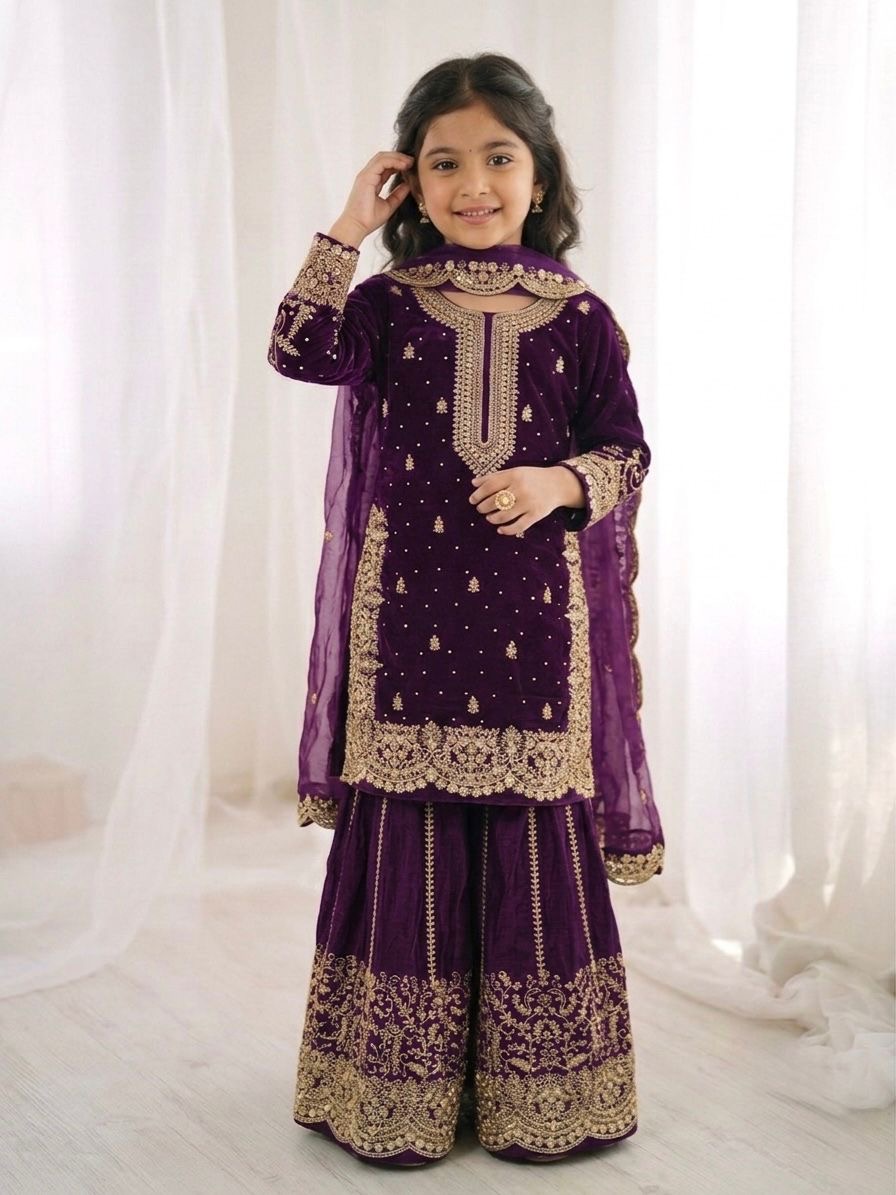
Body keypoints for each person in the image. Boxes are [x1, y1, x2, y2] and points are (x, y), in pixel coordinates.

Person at [267, 52, 665, 1168]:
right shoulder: (387, 304)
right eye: (442, 163)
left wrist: (557, 483)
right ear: (410, 180)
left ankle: (543, 1099)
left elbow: (626, 452)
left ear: (540, 174)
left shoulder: (579, 317)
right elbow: (298, 350)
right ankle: (397, 1096)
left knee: (531, 847)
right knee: (417, 844)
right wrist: (350, 226)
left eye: (498, 158)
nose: (473, 183)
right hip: (407, 627)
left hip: (533, 632)